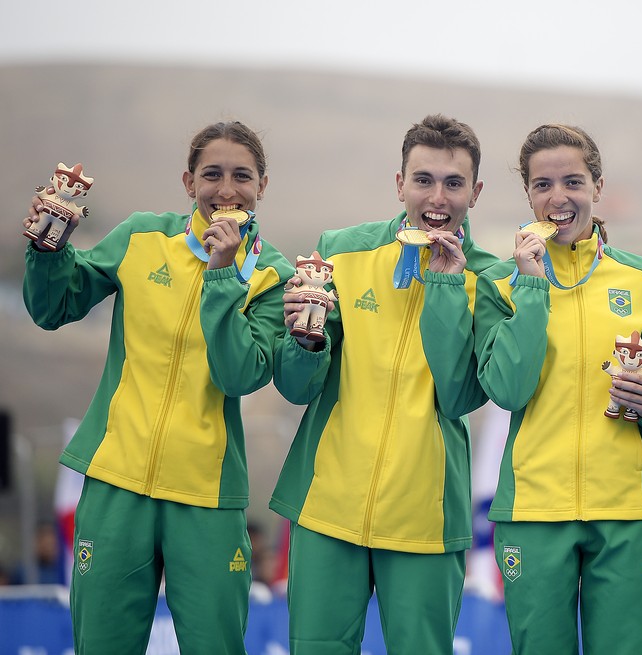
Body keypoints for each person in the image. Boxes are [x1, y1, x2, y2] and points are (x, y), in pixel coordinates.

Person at [22, 120, 295, 653]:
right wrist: (49, 249)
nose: (226, 190)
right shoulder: (142, 236)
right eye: (211, 174)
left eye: (242, 176)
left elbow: (241, 374)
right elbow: (53, 307)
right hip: (116, 479)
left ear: (263, 185)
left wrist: (221, 275)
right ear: (188, 181)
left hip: (207, 494)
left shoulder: (273, 275)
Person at [270, 114, 498, 654]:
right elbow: (297, 386)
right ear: (400, 183)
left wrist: (444, 282)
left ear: (476, 191)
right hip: (327, 506)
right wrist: (303, 343)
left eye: (453, 182)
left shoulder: (492, 277)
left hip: (425, 519)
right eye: (423, 180)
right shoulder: (341, 252)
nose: (436, 197)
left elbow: (463, 394)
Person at [473, 124, 642, 654]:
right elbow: (506, 389)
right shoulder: (500, 283)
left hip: (627, 510)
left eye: (572, 181)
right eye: (542, 184)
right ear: (528, 193)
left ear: (597, 185)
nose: (558, 197)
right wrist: (530, 284)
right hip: (533, 512)